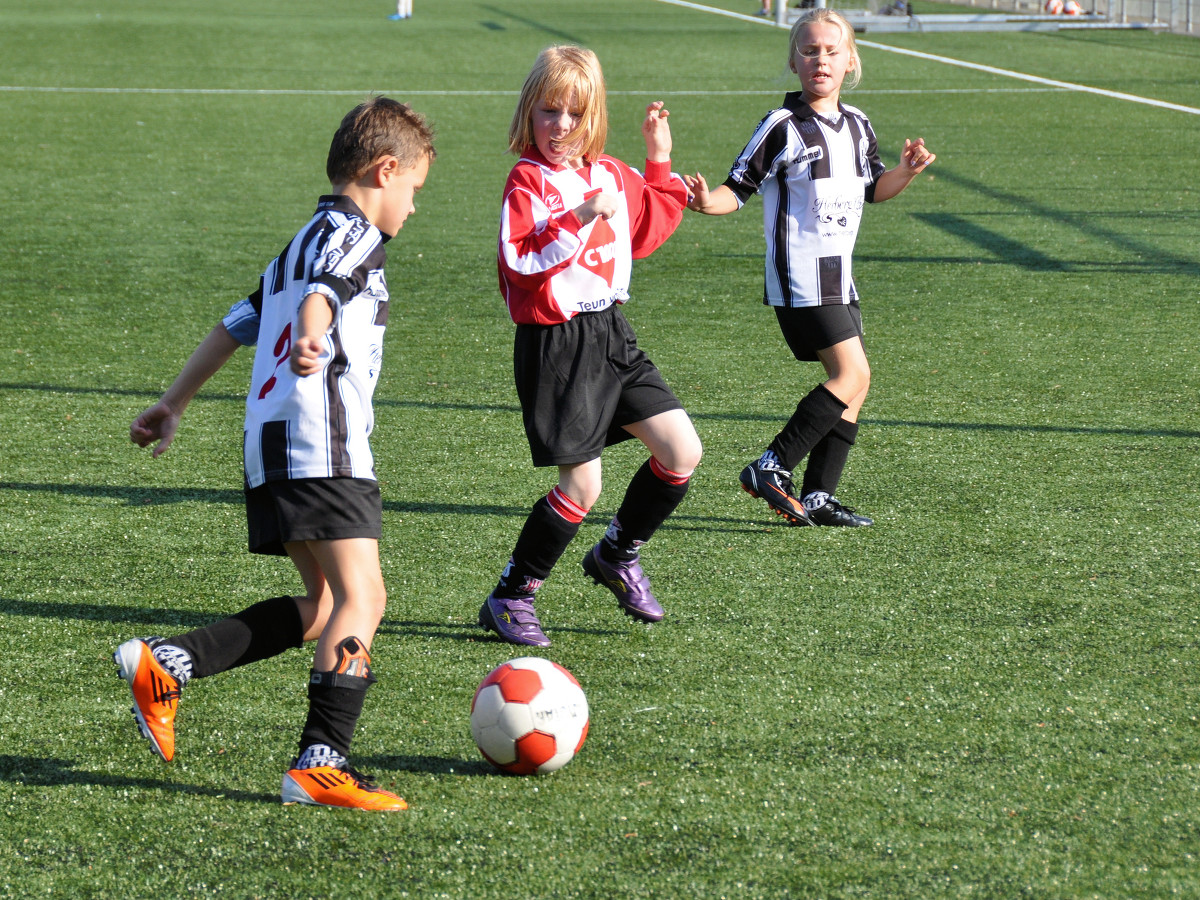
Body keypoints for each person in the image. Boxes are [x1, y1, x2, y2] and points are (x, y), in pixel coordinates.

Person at [115, 97, 435, 811]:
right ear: (385, 170)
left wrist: (174, 401)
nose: (414, 207)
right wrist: (315, 330)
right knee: (364, 597)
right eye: (414, 189)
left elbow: (235, 325)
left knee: (324, 607)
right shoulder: (353, 236)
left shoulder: (299, 241)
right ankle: (321, 763)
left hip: (272, 444)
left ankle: (170, 662)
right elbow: (324, 294)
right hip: (323, 440)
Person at [480, 45, 702, 649]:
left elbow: (645, 229)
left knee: (681, 450)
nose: (561, 127)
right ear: (529, 112)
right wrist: (578, 216)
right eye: (548, 112)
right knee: (583, 488)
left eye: (575, 114)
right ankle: (511, 595)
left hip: (612, 334)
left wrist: (659, 158)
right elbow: (519, 260)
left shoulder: (610, 172)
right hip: (557, 345)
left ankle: (616, 553)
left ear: (595, 114)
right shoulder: (528, 180)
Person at [685, 8, 934, 528]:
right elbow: (738, 188)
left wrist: (907, 172)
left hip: (840, 275)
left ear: (850, 62)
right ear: (794, 62)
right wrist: (706, 201)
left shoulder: (859, 125)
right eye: (810, 50)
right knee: (852, 373)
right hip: (800, 273)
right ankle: (771, 465)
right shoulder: (781, 126)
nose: (821, 59)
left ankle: (819, 496)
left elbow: (874, 189)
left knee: (855, 386)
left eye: (832, 51)